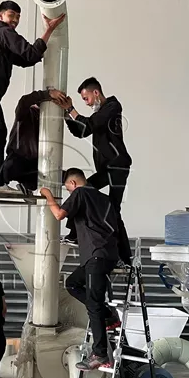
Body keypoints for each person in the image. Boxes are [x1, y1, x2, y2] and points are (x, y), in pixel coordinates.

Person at [0, 0, 66, 193]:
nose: (14, 20)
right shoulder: (5, 32)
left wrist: (37, 53)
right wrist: (48, 30)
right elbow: (31, 53)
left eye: (17, 17)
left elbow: (25, 60)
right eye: (11, 15)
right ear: (1, 16)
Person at [40, 168, 122, 371]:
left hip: (97, 255)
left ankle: (100, 354)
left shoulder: (81, 193)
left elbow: (59, 214)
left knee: (93, 304)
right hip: (105, 255)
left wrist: (47, 195)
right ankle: (109, 315)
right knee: (72, 283)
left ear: (73, 184)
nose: (69, 193)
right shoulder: (103, 199)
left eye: (67, 188)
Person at [57, 77, 133, 265]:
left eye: (86, 98)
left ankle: (124, 257)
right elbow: (81, 131)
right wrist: (67, 115)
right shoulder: (99, 114)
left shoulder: (113, 107)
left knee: (114, 210)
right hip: (106, 168)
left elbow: (90, 124)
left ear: (96, 93)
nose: (87, 102)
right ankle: (74, 233)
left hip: (118, 166)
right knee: (83, 193)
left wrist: (71, 109)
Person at [1, 88, 68, 192]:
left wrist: (68, 110)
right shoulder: (26, 113)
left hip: (35, 164)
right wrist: (48, 93)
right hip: (18, 158)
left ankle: (27, 187)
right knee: (9, 169)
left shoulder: (50, 121)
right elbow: (24, 101)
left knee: (62, 176)